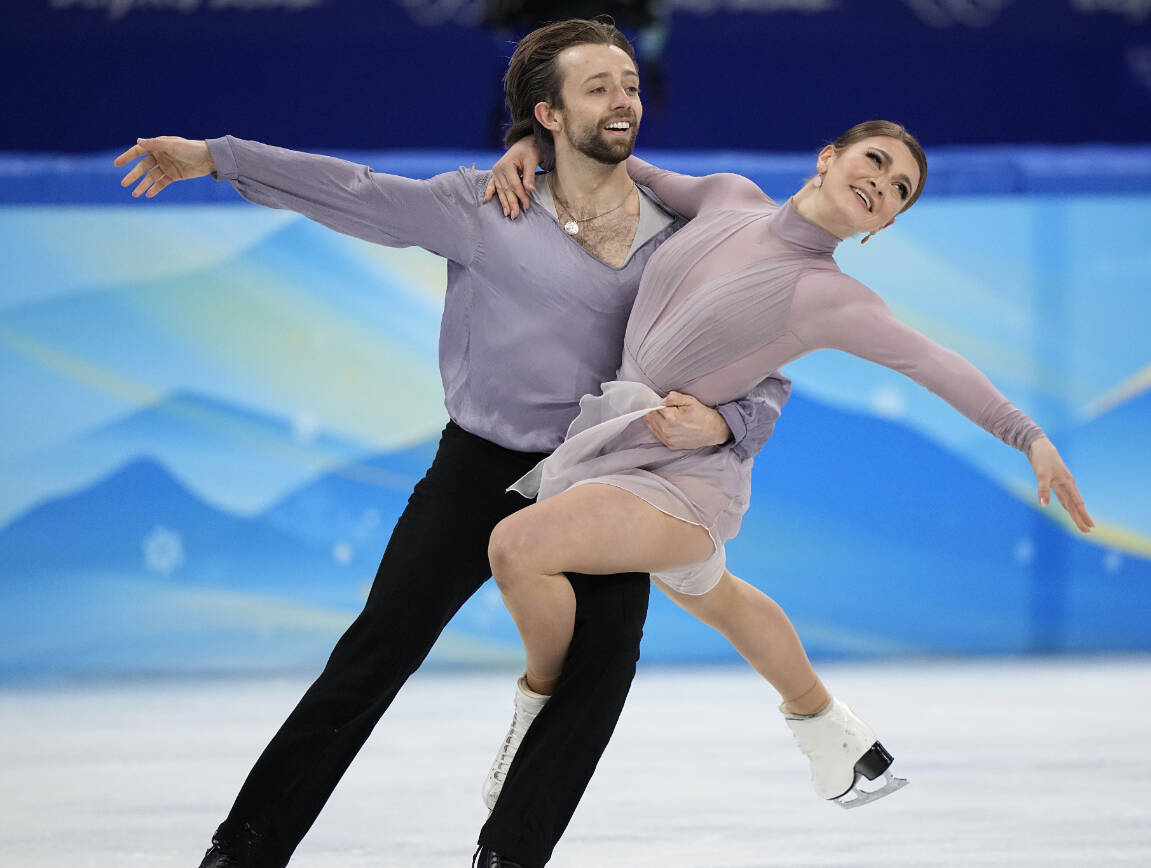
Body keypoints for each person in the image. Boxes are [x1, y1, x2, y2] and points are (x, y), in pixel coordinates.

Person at [113, 18, 791, 868]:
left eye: (629, 82)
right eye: (599, 86)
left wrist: (731, 423)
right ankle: (244, 849)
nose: (624, 98)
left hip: (605, 482)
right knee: (374, 655)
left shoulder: (687, 232)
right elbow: (354, 191)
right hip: (480, 467)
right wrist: (218, 156)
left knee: (601, 672)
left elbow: (767, 343)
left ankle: (507, 860)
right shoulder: (484, 207)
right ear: (546, 114)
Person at [481, 121, 1095, 807]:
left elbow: (937, 365)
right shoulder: (725, 197)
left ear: (883, 225)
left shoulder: (836, 300)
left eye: (899, 190)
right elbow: (614, 167)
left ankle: (537, 714)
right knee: (718, 598)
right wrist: (533, 147)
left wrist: (1028, 436)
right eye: (876, 160)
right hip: (622, 439)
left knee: (517, 546)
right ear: (828, 158)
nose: (882, 183)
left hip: (685, 485)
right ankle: (831, 730)